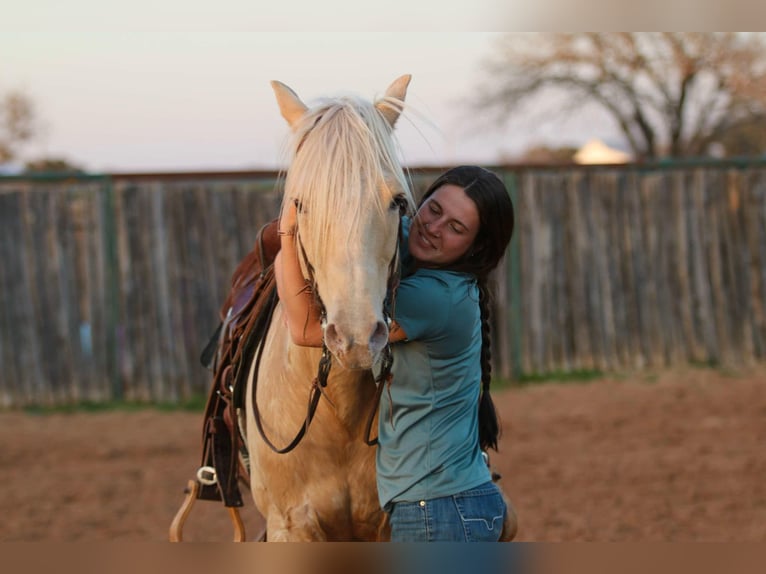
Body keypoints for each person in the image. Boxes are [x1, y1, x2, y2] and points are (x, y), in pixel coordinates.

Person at [274, 165, 515, 542]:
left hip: (439, 509)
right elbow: (374, 229)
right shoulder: (426, 257)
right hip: (441, 503)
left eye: (456, 228)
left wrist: (288, 233)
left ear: (476, 246)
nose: (434, 228)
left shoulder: (435, 297)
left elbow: (305, 330)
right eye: (434, 210)